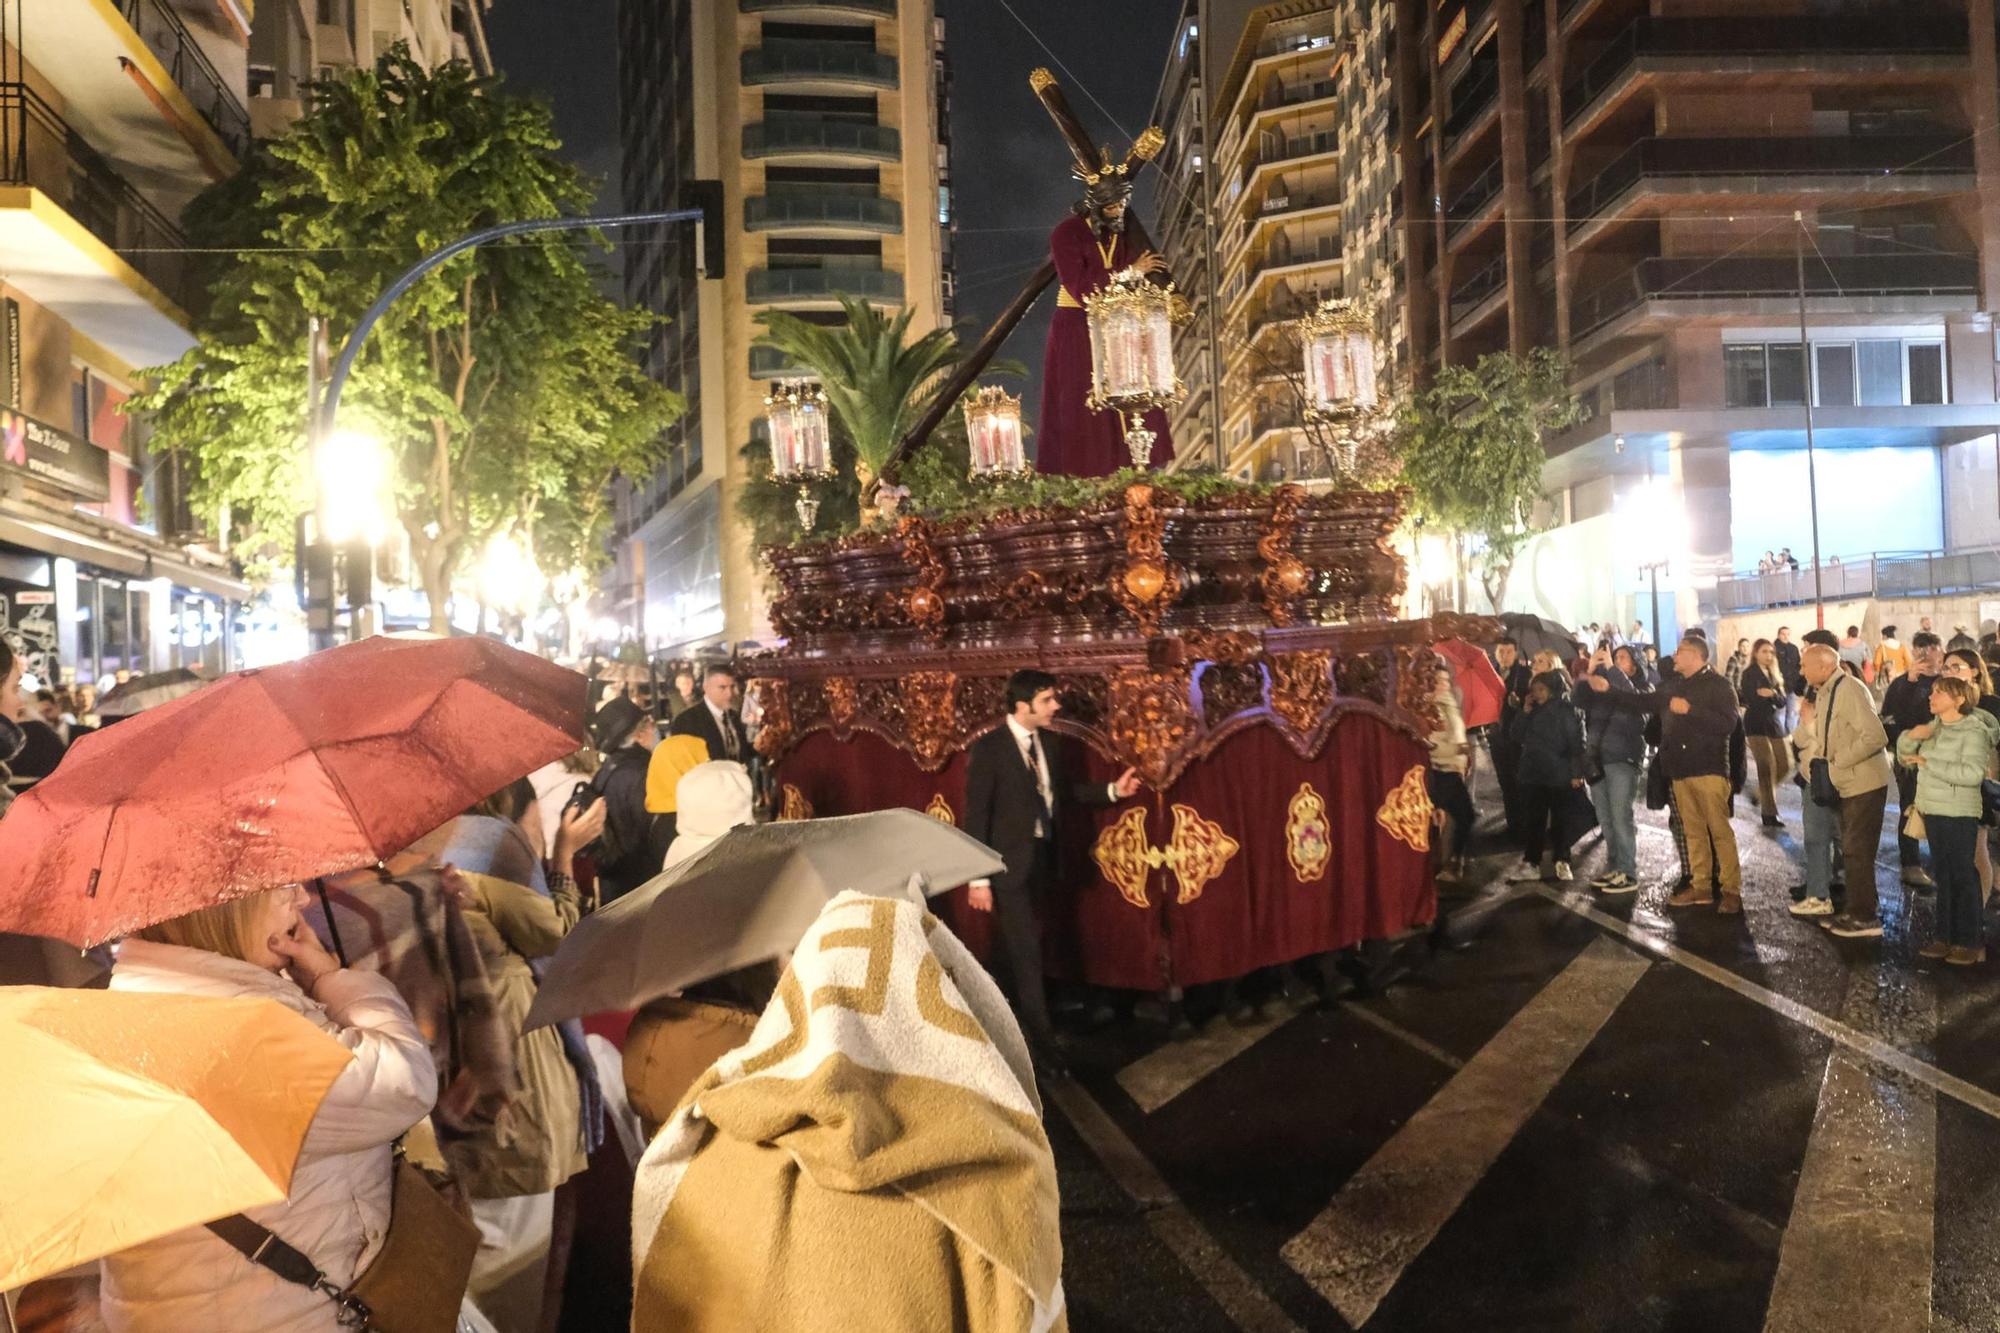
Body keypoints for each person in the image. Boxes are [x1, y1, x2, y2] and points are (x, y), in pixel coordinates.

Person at [99, 887, 439, 1332]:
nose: (303, 899)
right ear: (223, 905)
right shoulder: (235, 1027)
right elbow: (404, 1084)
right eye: (282, 888)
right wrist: (333, 980)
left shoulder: (142, 995)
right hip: (278, 1313)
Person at [962, 669, 1141, 1071]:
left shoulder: (1050, 745)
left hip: (1043, 860)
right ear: (1022, 706)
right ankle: (1043, 1047)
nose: (1055, 707)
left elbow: (1067, 792)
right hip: (1006, 869)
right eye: (1047, 701)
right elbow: (976, 816)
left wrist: (1113, 791)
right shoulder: (989, 750)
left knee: (1025, 947)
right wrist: (978, 879)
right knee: (1025, 952)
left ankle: (1005, 1023)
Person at [1585, 636, 1744, 912]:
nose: (1674, 655)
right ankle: (1701, 887)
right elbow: (1642, 702)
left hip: (1709, 769)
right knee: (1692, 832)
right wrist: (1610, 688)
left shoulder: (1719, 685)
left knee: (1719, 832)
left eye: (1680, 651)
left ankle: (1731, 891)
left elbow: (1728, 723)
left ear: (1695, 656)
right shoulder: (1674, 685)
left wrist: (1690, 710)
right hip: (1679, 770)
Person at [1899, 675, 1999, 964]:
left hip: (1959, 811)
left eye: (1940, 693)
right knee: (1943, 876)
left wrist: (1930, 763)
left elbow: (1972, 774)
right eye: (1932, 692)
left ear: (1959, 700)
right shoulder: (1935, 727)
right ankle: (1944, 937)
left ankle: (1969, 942)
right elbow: (1906, 758)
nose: (1932, 697)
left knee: (1963, 876)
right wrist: (1910, 739)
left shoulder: (1974, 731)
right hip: (1932, 809)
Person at [1508, 670, 1589, 884]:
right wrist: (1524, 711)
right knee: (1534, 820)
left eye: (1541, 689)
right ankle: (1531, 861)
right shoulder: (1531, 710)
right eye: (1534, 690)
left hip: (1559, 774)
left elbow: (1577, 744)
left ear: (1553, 689)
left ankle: (1562, 860)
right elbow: (1516, 735)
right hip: (1533, 773)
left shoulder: (1569, 710)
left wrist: (1576, 773)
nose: (1537, 694)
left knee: (1561, 820)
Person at [1581, 646, 1647, 893]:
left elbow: (1633, 700)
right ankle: (1614, 867)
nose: (1616, 662)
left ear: (1635, 665)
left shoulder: (1641, 689)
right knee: (1606, 818)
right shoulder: (1602, 689)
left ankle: (1628, 872)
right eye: (1614, 657)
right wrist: (1589, 671)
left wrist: (1611, 668)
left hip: (1623, 758)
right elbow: (1578, 700)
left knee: (1621, 817)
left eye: (1622, 658)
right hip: (1597, 760)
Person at [1882, 630, 1943, 888]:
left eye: (1931, 648)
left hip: (1942, 757)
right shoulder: (1901, 684)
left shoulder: (1948, 680)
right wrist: (1909, 682)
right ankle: (1911, 864)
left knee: (1942, 809)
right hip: (1910, 758)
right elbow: (1889, 718)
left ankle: (1942, 860)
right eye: (1920, 649)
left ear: (1940, 650)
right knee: (1910, 806)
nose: (1926, 654)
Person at [589, 696, 666, 901]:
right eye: (649, 724)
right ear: (639, 734)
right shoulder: (641, 773)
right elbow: (651, 831)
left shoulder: (606, 770)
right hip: (639, 881)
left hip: (613, 879)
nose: (654, 729)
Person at [1941, 648, 2000, 902]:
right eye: (1947, 668)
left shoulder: (1989, 704)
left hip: (1979, 785)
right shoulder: (1942, 700)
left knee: (1977, 852)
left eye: (1957, 667)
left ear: (1975, 671)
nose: (1950, 672)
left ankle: (1976, 916)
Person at [1425, 662, 1474, 883]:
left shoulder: (1450, 702)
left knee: (1453, 818)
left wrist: (1463, 755)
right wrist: (1458, 749)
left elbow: (1458, 734)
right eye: (1438, 681)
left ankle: (1453, 861)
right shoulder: (1427, 708)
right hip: (1439, 770)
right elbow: (1431, 742)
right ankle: (1450, 864)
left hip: (1454, 769)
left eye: (1446, 680)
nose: (1443, 685)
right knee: (1459, 816)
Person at [1740, 639, 1791, 829]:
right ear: (1755, 653)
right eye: (1764, 651)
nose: (1769, 655)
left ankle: (1759, 795)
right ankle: (1769, 813)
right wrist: (1766, 696)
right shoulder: (1749, 674)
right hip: (1755, 724)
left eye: (1771, 652)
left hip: (1774, 724)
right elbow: (1751, 697)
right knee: (1765, 767)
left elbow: (1782, 701)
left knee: (1785, 765)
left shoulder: (1775, 674)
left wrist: (1771, 695)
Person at [1490, 637, 1533, 847]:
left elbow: (1532, 702)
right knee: (1505, 782)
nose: (1504, 655)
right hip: (1496, 734)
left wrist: (1518, 702)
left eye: (1508, 651)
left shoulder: (1524, 674)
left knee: (1519, 782)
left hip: (1517, 737)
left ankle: (1524, 828)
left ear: (1516, 652)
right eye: (1501, 651)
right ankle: (1512, 824)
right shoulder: (1490, 673)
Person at [668, 664, 750, 764]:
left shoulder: (733, 716)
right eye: (722, 687)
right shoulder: (687, 720)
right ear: (706, 688)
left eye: (732, 687)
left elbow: (741, 754)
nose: (729, 693)